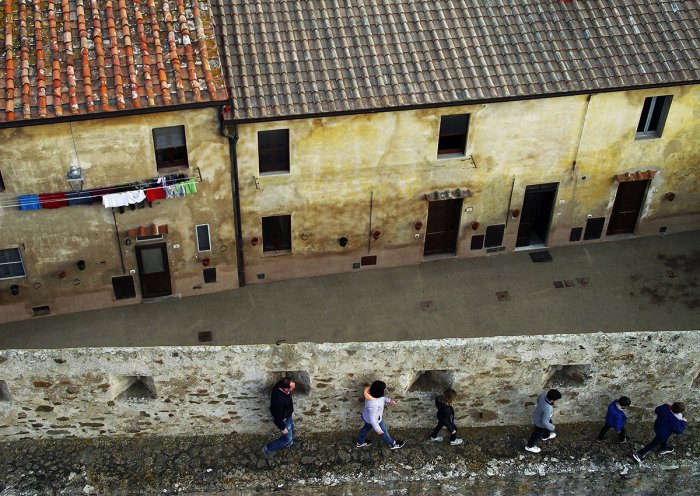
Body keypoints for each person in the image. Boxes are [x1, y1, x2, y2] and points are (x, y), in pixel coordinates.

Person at [356, 380, 405, 450]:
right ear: (379, 392)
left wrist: (389, 401)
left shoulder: (369, 393)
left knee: (365, 428)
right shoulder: (373, 404)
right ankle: (393, 444)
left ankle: (360, 442)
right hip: (376, 420)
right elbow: (373, 420)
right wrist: (378, 430)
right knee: (384, 432)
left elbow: (382, 399)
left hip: (366, 417)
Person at [262, 377, 299, 460]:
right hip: (282, 419)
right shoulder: (278, 400)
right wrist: (282, 428)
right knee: (287, 438)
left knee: (292, 429)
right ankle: (267, 449)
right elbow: (277, 417)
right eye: (292, 387)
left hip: (287, 415)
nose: (294, 388)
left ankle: (290, 443)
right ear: (286, 389)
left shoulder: (281, 385)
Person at [525, 389, 562, 453]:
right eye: (556, 400)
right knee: (536, 434)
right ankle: (529, 446)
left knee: (549, 422)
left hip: (537, 414)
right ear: (552, 400)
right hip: (540, 423)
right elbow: (544, 422)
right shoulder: (548, 408)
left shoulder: (544, 395)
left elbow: (538, 399)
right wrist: (552, 427)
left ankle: (546, 436)